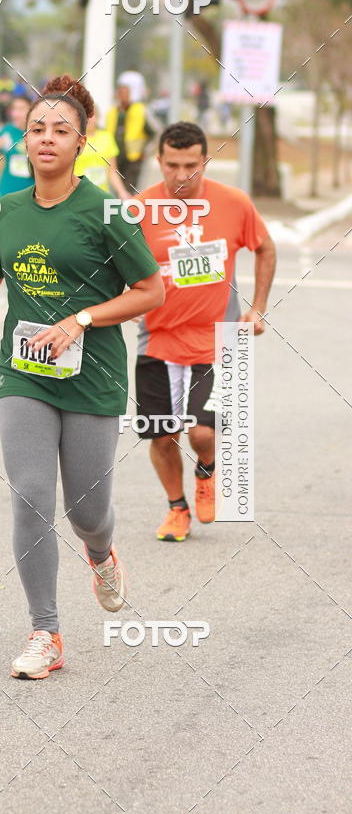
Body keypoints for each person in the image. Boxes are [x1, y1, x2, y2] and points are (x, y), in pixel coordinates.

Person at [0, 74, 164, 680]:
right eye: (38, 129)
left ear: (81, 142)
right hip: (24, 374)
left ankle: (100, 552)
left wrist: (82, 318)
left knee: (87, 509)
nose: (47, 139)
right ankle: (45, 632)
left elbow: (151, 290)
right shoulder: (10, 211)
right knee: (29, 496)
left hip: (93, 376)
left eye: (61, 130)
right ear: (24, 140)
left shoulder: (102, 210)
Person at [133, 122, 276, 541]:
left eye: (191, 166)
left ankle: (207, 470)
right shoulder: (140, 210)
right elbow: (116, 270)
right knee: (161, 435)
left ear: (205, 161)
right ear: (158, 161)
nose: (181, 175)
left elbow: (265, 247)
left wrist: (258, 307)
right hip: (156, 339)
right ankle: (177, 508)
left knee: (202, 431)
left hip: (219, 339)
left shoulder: (233, 203)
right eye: (172, 165)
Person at [106, 70, 154, 194]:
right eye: (120, 91)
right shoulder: (112, 112)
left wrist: (145, 151)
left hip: (134, 159)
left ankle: (130, 212)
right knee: (117, 190)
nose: (122, 95)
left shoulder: (141, 111)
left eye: (125, 92)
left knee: (131, 190)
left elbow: (155, 133)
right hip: (115, 157)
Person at [73, 105, 129, 199]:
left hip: (101, 196)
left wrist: (122, 192)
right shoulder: (73, 139)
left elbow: (112, 171)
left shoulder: (107, 138)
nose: (88, 119)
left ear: (98, 116)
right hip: (78, 196)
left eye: (92, 115)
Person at [0, 95, 34, 197]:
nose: (16, 113)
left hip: (32, 192)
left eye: (21, 109)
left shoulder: (38, 131)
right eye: (14, 109)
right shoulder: (7, 131)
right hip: (7, 191)